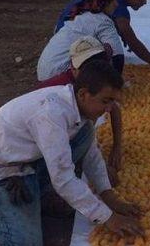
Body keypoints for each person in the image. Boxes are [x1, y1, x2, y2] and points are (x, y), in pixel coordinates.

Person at [0, 59, 144, 246]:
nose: (109, 109)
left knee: (83, 137)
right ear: (83, 94)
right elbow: (63, 179)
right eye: (106, 101)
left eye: (113, 102)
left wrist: (108, 196)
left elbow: (90, 153)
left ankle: (37, 194)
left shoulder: (78, 109)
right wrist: (108, 217)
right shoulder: (51, 115)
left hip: (24, 160)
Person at [36, 36, 125, 185]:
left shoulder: (94, 84)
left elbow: (114, 108)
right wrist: (100, 169)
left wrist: (117, 146)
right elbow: (56, 144)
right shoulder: (60, 95)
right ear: (74, 69)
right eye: (88, 68)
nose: (95, 74)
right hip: (40, 144)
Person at [38, 0, 125, 80]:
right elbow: (118, 57)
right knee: (103, 55)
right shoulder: (102, 21)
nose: (116, 4)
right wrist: (115, 85)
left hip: (44, 73)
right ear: (102, 2)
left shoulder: (79, 17)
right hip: (60, 75)